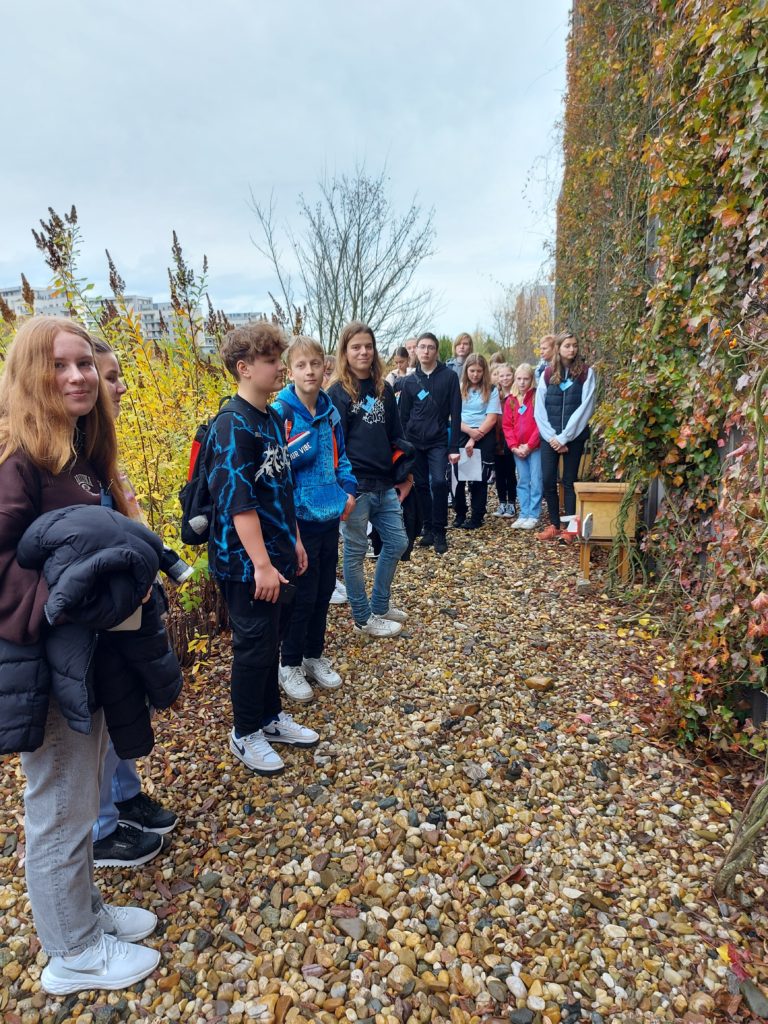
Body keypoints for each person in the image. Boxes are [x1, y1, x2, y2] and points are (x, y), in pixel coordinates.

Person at [0, 317, 160, 993]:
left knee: (86, 791)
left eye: (85, 365)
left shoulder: (79, 459)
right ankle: (73, 954)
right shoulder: (18, 465)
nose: (77, 377)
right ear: (30, 376)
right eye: (59, 367)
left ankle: (87, 915)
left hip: (91, 663)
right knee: (60, 810)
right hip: (45, 668)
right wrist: (65, 602)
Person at [203, 322, 319, 775]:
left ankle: (269, 719)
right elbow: (237, 500)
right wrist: (262, 565)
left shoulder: (271, 417)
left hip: (278, 554)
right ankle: (245, 731)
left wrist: (293, 539)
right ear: (244, 368)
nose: (278, 368)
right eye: (272, 361)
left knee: (272, 639)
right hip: (245, 563)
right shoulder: (232, 424)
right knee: (253, 645)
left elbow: (281, 486)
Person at [90, 341, 178, 868]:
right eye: (111, 376)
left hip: (129, 607)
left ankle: (124, 798)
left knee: (124, 706)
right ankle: (101, 828)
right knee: (102, 712)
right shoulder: (69, 460)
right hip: (103, 614)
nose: (121, 386)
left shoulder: (104, 450)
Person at [272, 336, 357, 702]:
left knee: (323, 591)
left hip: (329, 515)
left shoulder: (331, 410)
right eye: (301, 365)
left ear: (327, 367)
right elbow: (274, 473)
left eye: (315, 364)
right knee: (301, 595)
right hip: (298, 521)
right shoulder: (282, 413)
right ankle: (288, 663)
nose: (309, 371)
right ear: (290, 370)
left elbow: (342, 456)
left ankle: (312, 656)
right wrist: (288, 529)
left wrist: (348, 489)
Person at [327, 321, 411, 637]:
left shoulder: (383, 389)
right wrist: (342, 488)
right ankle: (363, 618)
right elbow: (334, 444)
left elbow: (397, 436)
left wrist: (407, 477)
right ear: (345, 353)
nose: (363, 352)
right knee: (355, 551)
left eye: (368, 346)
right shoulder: (337, 393)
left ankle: (380, 604)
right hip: (355, 486)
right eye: (356, 347)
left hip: (385, 483)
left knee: (398, 541)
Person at [398, 332, 461, 554]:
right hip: (415, 442)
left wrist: (454, 447)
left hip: (438, 440)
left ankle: (440, 529)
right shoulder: (408, 382)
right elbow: (403, 416)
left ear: (436, 351)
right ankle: (428, 528)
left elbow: (456, 412)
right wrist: (405, 447)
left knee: (439, 483)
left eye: (430, 347)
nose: (425, 351)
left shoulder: (449, 377)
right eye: (422, 347)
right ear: (416, 350)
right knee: (422, 485)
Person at [534, 332, 596, 541]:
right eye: (568, 345)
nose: (572, 349)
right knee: (548, 480)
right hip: (549, 438)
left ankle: (570, 528)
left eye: (575, 345)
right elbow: (539, 408)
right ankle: (554, 524)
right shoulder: (547, 373)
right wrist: (552, 436)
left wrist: (565, 437)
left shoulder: (586, 373)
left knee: (569, 481)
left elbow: (585, 408)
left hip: (573, 438)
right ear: (558, 348)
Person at [451, 354, 501, 530]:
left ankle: (477, 515)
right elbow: (453, 415)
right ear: (466, 370)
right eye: (472, 370)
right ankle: (460, 512)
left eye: (479, 371)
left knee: (477, 478)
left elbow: (492, 417)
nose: (475, 374)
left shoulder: (491, 389)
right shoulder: (458, 387)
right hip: (462, 430)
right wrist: (468, 432)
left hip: (482, 434)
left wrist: (475, 437)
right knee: (458, 477)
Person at [503, 363, 542, 529]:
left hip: (535, 447)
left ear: (531, 379)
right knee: (523, 480)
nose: (522, 382)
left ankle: (534, 514)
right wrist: (513, 446)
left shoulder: (536, 397)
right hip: (518, 449)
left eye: (526, 379)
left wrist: (530, 445)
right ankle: (524, 513)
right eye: (519, 378)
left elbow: (540, 423)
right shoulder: (511, 401)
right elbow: (507, 425)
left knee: (536, 480)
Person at [493, 363, 517, 519]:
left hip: (511, 439)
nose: (505, 378)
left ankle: (512, 503)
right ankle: (502, 502)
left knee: (510, 473)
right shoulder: (496, 395)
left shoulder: (516, 396)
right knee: (499, 473)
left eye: (508, 375)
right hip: (496, 439)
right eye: (501, 375)